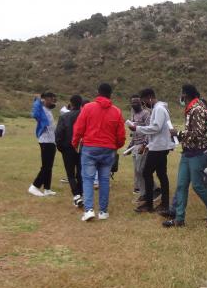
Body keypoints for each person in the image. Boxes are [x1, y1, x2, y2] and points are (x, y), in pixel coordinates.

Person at [163, 84, 207, 228]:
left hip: (198, 153)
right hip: (188, 152)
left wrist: (178, 133)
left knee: (197, 185)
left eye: (181, 93)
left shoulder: (197, 109)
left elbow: (198, 133)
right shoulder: (191, 109)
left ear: (185, 94)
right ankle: (179, 218)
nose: (180, 97)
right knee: (181, 185)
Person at [73, 83, 126, 221]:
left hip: (90, 147)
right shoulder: (117, 111)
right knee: (104, 180)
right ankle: (103, 211)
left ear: (98, 92)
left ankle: (89, 210)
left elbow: (79, 128)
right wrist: (115, 146)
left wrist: (75, 143)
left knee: (88, 179)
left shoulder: (88, 108)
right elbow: (121, 135)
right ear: (110, 94)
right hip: (108, 149)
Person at [129, 88, 175, 214]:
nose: (143, 104)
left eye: (143, 101)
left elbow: (156, 127)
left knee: (146, 173)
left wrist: (138, 128)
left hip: (158, 148)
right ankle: (164, 204)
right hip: (159, 146)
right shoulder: (159, 108)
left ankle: (149, 204)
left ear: (149, 97)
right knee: (161, 174)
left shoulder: (159, 109)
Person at [56, 95, 84, 207]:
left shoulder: (64, 117)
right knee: (81, 172)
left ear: (70, 104)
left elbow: (58, 133)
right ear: (81, 104)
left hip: (67, 148)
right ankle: (80, 194)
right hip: (82, 148)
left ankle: (76, 195)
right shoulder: (85, 115)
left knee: (70, 174)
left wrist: (61, 147)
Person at [28, 91, 58, 197]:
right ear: (45, 99)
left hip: (51, 141)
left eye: (53, 98)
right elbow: (35, 114)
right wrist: (38, 100)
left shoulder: (48, 110)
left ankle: (47, 189)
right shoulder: (40, 109)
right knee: (46, 166)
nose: (53, 100)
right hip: (45, 141)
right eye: (50, 98)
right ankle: (34, 186)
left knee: (49, 166)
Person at [128, 94, 150, 196]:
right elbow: (134, 131)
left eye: (136, 102)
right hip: (135, 145)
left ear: (140, 102)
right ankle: (138, 188)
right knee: (136, 169)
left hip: (142, 145)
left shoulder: (146, 113)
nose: (134, 104)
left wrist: (144, 145)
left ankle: (148, 190)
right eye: (132, 102)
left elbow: (149, 130)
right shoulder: (133, 113)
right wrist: (130, 146)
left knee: (140, 169)